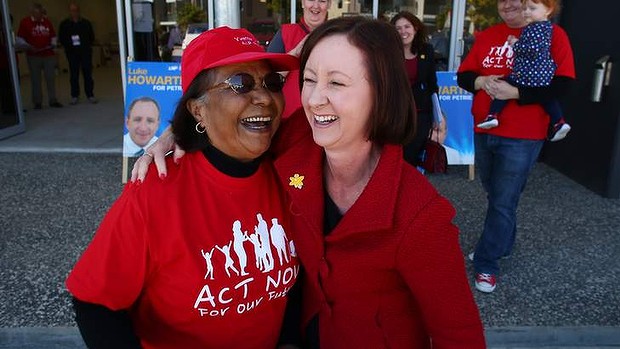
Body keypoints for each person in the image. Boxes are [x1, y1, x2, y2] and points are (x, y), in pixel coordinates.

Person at [135, 16, 486, 348]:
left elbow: (459, 333)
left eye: (336, 82)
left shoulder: (421, 215)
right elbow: (230, 118)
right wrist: (177, 132)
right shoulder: (296, 142)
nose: (315, 98)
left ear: (382, 92)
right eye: (310, 79)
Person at [66, 26, 300, 348]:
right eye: (241, 83)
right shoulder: (156, 189)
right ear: (198, 109)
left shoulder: (290, 170)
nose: (263, 97)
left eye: (271, 83)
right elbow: (95, 303)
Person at [457, 0, 575, 293]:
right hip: (484, 128)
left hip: (523, 135)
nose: (509, 4)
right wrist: (483, 81)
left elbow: (563, 84)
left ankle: (487, 263)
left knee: (503, 200)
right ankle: (499, 244)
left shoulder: (553, 34)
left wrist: (517, 92)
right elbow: (463, 76)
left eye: (519, 1)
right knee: (495, 193)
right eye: (503, 0)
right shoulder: (487, 35)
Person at [477, 0, 571, 142]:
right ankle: (558, 122)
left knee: (503, 86)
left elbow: (533, 50)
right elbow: (464, 76)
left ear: (548, 10)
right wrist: (482, 81)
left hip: (529, 76)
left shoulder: (540, 29)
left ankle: (493, 115)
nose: (526, 12)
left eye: (532, 8)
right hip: (535, 75)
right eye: (525, 8)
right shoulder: (539, 28)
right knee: (548, 101)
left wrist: (516, 45)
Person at [267, 0, 332, 118]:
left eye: (322, 1)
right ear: (302, 3)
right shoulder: (285, 34)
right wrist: (295, 53)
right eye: (311, 0)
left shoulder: (337, 37)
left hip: (327, 118)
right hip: (288, 122)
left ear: (329, 4)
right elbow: (267, 79)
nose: (316, 6)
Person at [390, 11, 439, 167]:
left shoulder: (426, 50)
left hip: (420, 113)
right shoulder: (388, 52)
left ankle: (407, 188)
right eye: (398, 28)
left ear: (415, 28)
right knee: (393, 155)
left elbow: (432, 84)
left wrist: (438, 115)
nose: (403, 31)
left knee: (412, 156)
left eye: (407, 26)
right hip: (395, 114)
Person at [17, 3, 62, 109]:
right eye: (37, 13)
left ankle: (53, 100)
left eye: (40, 13)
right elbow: (20, 40)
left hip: (48, 54)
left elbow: (53, 36)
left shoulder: (47, 22)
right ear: (32, 12)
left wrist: (54, 45)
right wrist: (28, 47)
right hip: (33, 56)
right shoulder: (25, 22)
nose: (39, 16)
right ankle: (37, 102)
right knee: (35, 79)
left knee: (50, 78)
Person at [59, 3, 97, 105]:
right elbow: (61, 38)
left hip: (85, 52)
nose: (74, 12)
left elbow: (91, 37)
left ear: (79, 11)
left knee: (87, 74)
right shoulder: (65, 24)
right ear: (69, 12)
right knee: (74, 74)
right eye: (72, 10)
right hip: (72, 53)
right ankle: (74, 95)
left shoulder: (86, 23)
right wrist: (69, 45)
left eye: (76, 10)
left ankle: (90, 94)